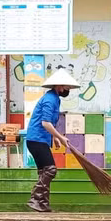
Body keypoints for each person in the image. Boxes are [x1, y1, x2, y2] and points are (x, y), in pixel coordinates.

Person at [25, 69, 80, 213]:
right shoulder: (50, 99)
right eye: (66, 87)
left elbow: (50, 122)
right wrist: (61, 137)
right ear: (59, 86)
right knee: (50, 170)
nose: (68, 90)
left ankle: (42, 204)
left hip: (38, 139)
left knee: (44, 171)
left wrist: (55, 137)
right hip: (37, 139)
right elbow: (45, 123)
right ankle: (35, 200)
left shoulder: (54, 98)